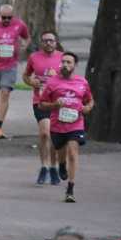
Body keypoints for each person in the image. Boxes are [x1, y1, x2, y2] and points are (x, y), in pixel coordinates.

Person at [38, 52, 93, 203]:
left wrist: (88, 107)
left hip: (76, 124)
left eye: (69, 62)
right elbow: (41, 104)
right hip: (58, 125)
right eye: (63, 62)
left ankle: (70, 189)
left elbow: (89, 100)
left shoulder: (82, 82)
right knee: (61, 152)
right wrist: (55, 105)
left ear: (75, 65)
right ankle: (61, 165)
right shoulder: (52, 83)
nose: (65, 65)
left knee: (73, 153)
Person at [0, 4, 30, 139]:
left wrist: (24, 45)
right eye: (4, 17)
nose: (7, 20)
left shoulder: (19, 24)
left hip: (10, 66)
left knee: (5, 92)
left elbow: (27, 37)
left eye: (9, 17)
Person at [23, 31, 64, 186]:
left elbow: (70, 78)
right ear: (41, 43)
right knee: (45, 134)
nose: (48, 43)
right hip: (40, 101)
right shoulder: (34, 57)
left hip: (58, 102)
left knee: (54, 136)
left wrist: (59, 78)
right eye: (45, 40)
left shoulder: (63, 58)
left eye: (51, 40)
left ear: (56, 42)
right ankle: (44, 167)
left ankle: (54, 167)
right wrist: (31, 82)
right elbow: (26, 76)